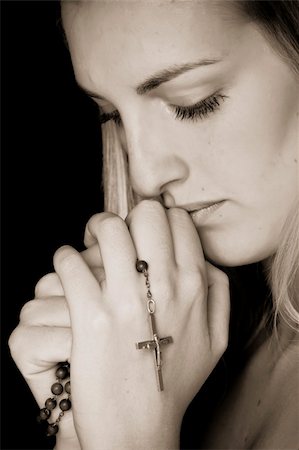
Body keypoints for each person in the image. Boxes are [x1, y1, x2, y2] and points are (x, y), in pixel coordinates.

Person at [9, 1, 299, 449]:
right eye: (112, 116)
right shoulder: (228, 343)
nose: (143, 175)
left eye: (193, 103)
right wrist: (85, 426)